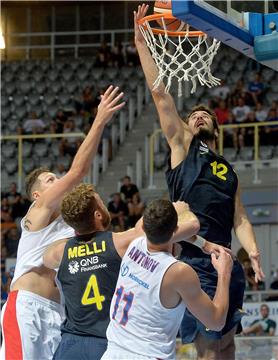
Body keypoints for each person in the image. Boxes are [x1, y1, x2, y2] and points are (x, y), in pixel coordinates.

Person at [134, 5, 265, 359]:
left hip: (226, 263)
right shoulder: (182, 146)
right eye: (193, 114)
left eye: (205, 113)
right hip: (195, 255)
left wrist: (251, 251)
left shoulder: (229, 170)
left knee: (227, 344)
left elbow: (240, 217)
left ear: (216, 129)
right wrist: (143, 46)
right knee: (207, 346)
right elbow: (161, 97)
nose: (199, 114)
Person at [0, 85, 125, 360]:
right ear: (36, 194)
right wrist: (100, 119)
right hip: (27, 307)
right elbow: (78, 171)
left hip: (59, 313)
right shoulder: (37, 212)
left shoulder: (72, 224)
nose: (58, 181)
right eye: (50, 180)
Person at [43, 183, 214, 360]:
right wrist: (199, 236)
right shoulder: (122, 242)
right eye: (101, 202)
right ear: (98, 214)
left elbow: (45, 256)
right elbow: (168, 231)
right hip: (108, 344)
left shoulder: (59, 253)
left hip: (71, 344)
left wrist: (79, 235)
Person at [102, 199, 233, 360]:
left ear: (143, 226)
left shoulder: (134, 242)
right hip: (147, 355)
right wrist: (224, 273)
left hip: (113, 351)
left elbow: (169, 232)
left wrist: (203, 243)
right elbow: (216, 322)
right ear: (176, 229)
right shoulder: (178, 272)